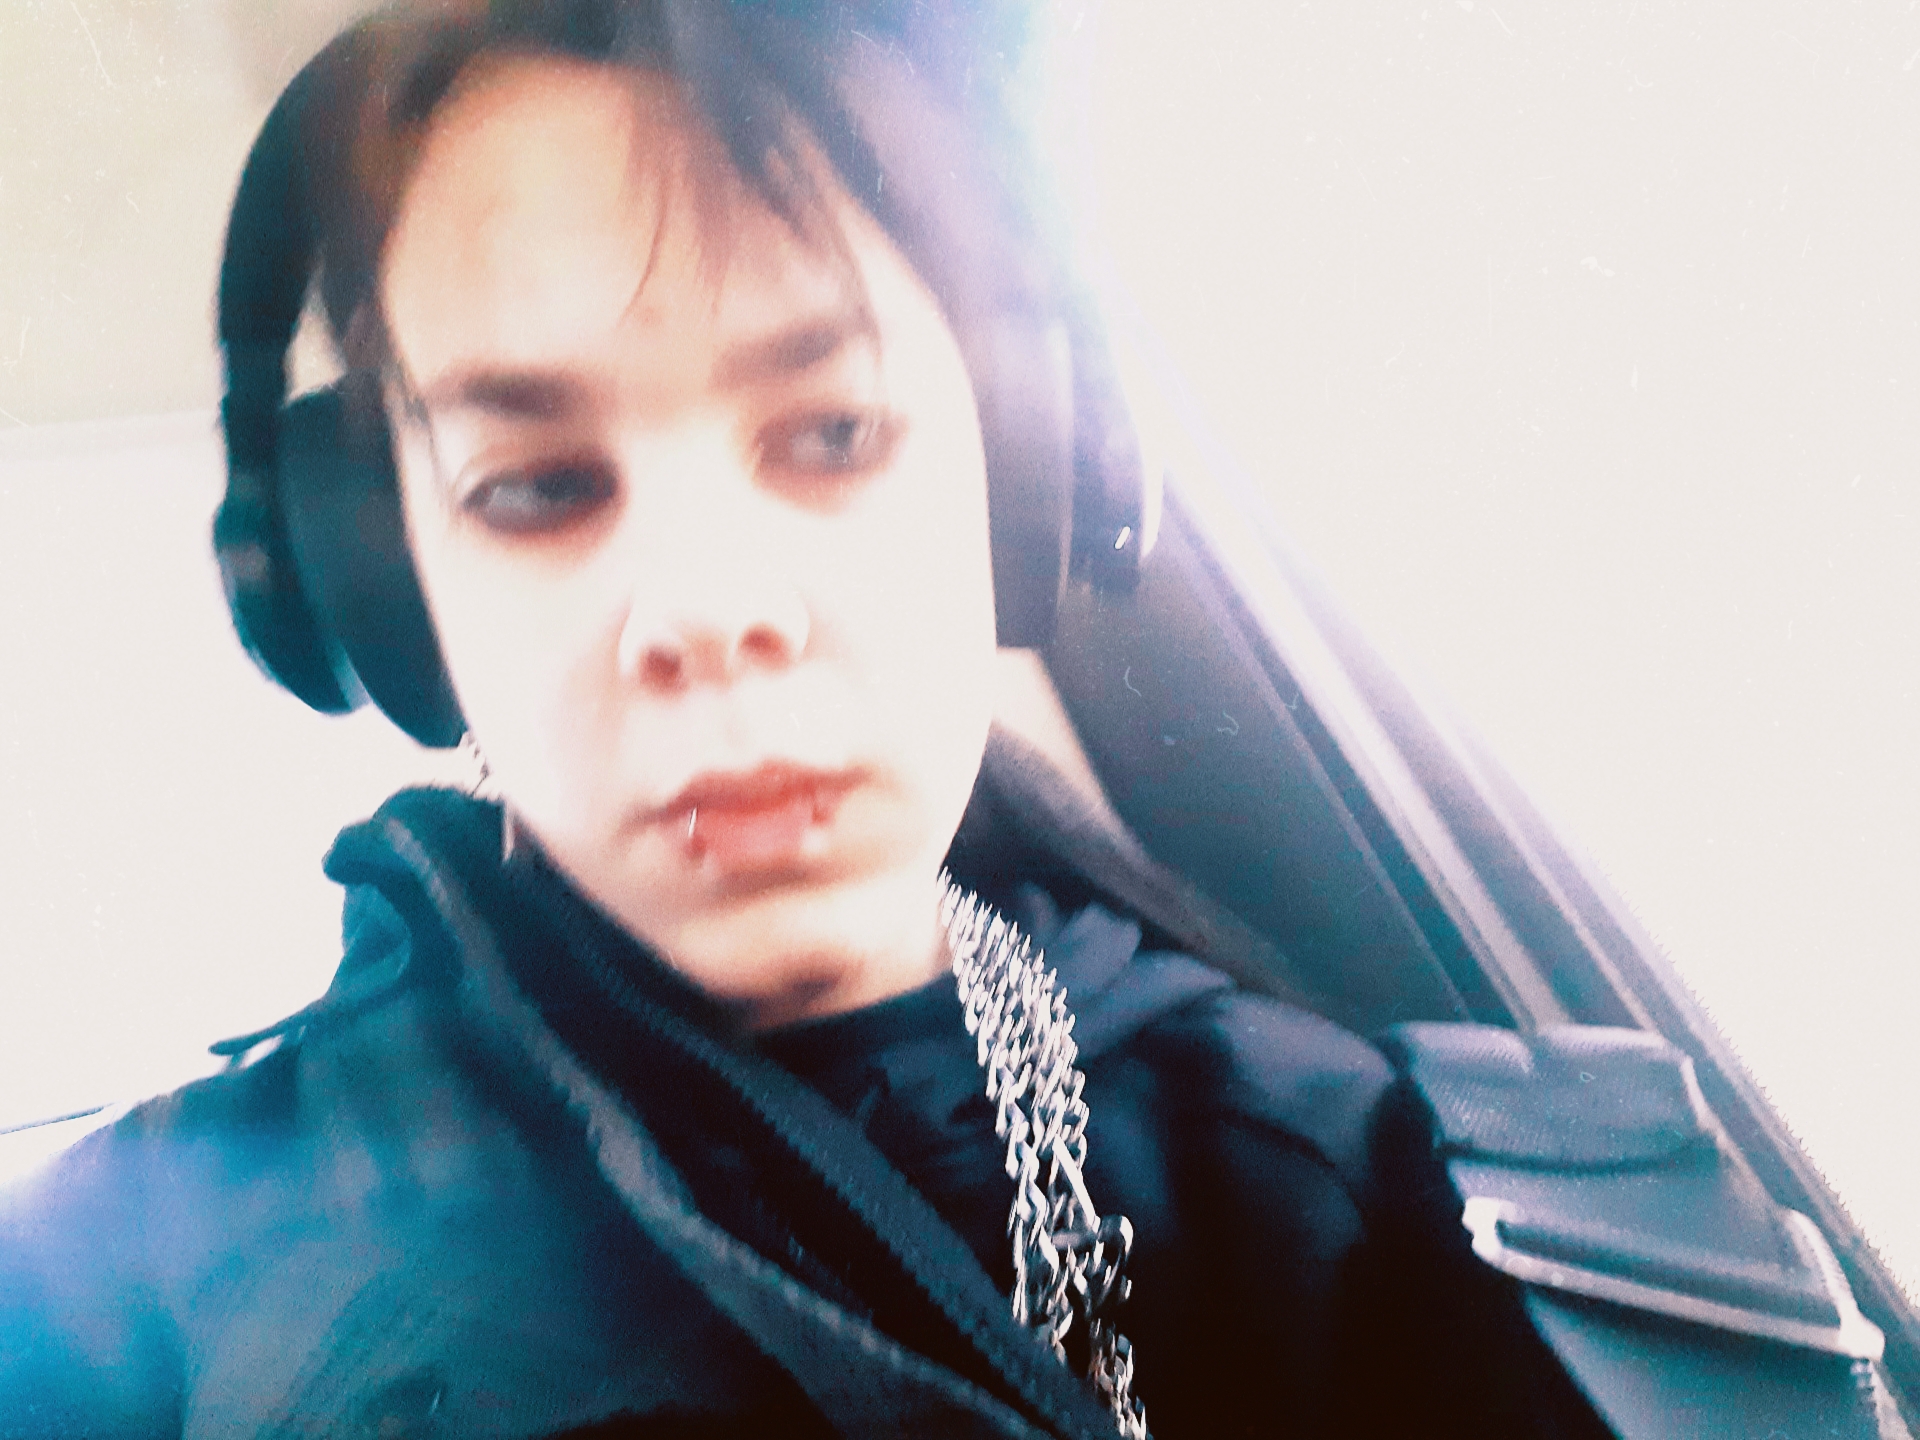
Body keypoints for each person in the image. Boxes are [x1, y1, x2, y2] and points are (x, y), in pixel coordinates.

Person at [0, 2, 1612, 1436]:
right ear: (386, 586)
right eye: (539, 486)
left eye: (835, 432)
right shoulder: (119, 1273)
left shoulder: (1357, 1177)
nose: (705, 608)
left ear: (1021, 484)